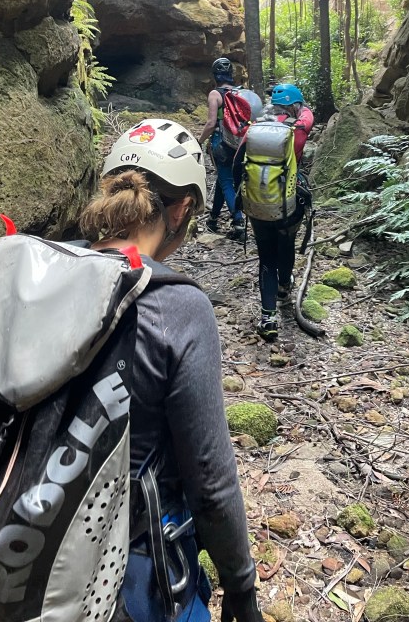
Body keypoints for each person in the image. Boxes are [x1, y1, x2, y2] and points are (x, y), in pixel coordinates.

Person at [80, 120, 265, 621]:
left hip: (13, 547)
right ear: (182, 209)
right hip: (128, 570)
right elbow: (211, 480)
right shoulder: (178, 306)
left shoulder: (45, 274)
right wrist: (240, 586)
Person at [235, 84, 314, 342]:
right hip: (289, 202)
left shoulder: (255, 129)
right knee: (287, 243)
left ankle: (268, 319)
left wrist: (241, 198)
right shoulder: (297, 129)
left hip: (258, 202)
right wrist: (301, 109)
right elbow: (308, 115)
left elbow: (237, 163)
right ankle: (284, 287)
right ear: (295, 106)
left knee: (266, 258)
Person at [199, 57, 246, 239]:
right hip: (240, 142)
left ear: (215, 75)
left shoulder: (215, 94)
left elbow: (211, 123)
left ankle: (238, 222)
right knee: (223, 178)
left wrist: (199, 140)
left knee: (227, 182)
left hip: (222, 143)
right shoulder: (240, 93)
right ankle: (213, 217)